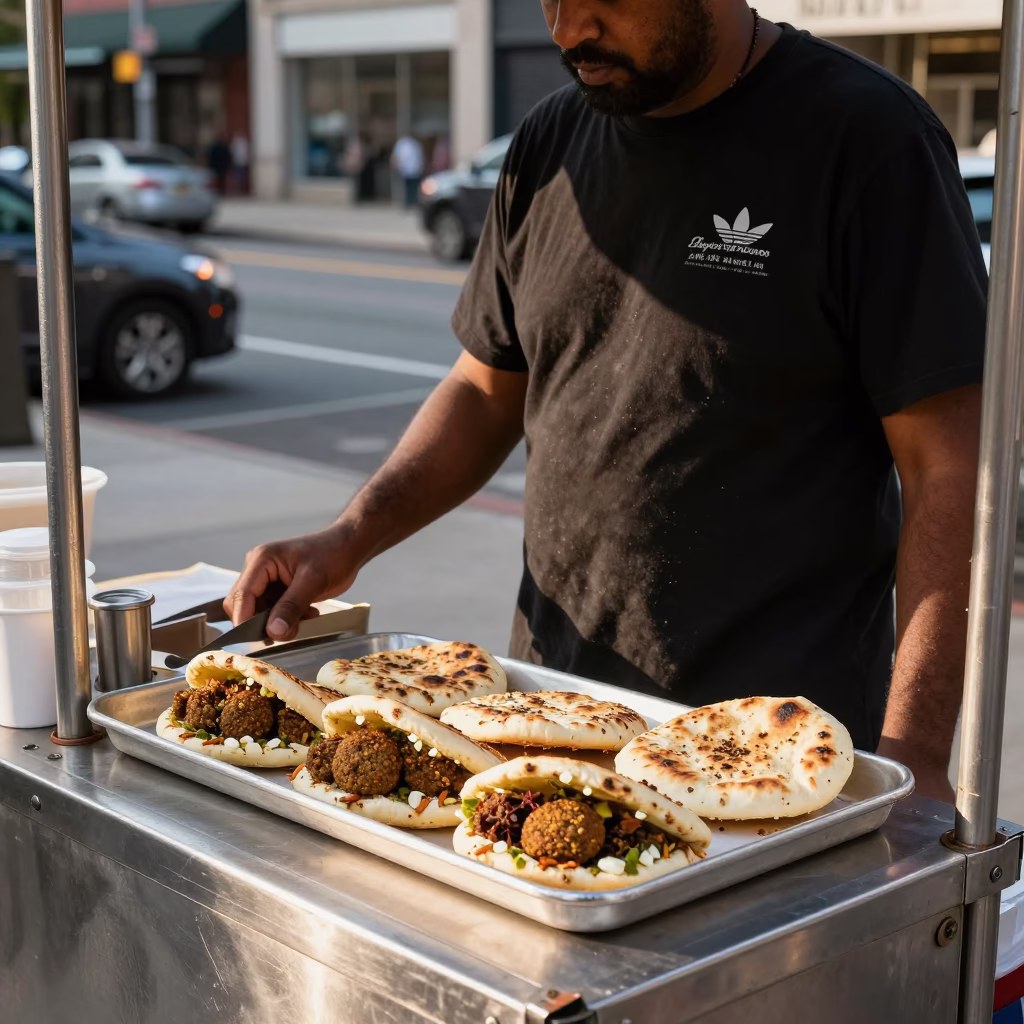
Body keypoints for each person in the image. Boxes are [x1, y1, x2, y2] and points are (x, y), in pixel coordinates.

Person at [227, 0, 987, 802]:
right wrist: (351, 534)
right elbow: (485, 390)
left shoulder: (868, 140)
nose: (567, 30)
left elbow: (948, 472)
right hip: (551, 715)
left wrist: (919, 758)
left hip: (774, 751)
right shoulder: (549, 143)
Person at [391, 133, 424, 208]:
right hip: (405, 170)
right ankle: (408, 202)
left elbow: (419, 157)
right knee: (407, 188)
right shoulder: (401, 144)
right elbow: (395, 156)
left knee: (414, 188)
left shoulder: (415, 144)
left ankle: (413, 202)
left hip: (414, 170)